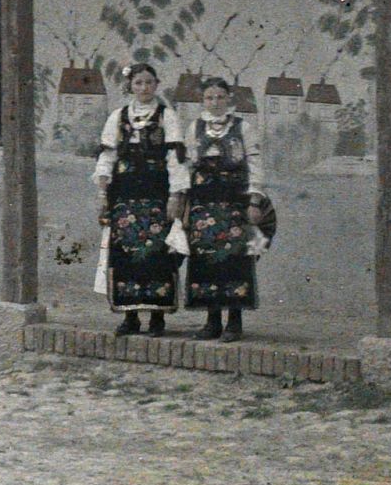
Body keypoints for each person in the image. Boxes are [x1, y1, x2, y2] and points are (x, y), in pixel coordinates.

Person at [93, 61, 189, 336]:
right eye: (138, 83)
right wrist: (102, 192)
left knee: (158, 255)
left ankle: (158, 317)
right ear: (130, 86)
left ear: (156, 85)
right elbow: (107, 156)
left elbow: (176, 159)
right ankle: (130, 316)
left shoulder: (167, 116)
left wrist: (176, 195)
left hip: (157, 196)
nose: (144, 87)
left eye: (148, 82)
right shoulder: (118, 117)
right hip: (124, 197)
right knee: (125, 255)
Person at [182, 75, 265, 340]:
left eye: (220, 97)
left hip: (234, 203)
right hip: (203, 204)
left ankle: (234, 322)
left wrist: (254, 200)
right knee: (206, 260)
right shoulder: (195, 127)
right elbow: (187, 167)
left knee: (234, 260)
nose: (215, 102)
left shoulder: (243, 127)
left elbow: (255, 165)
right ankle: (212, 321)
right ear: (202, 100)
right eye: (209, 97)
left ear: (229, 98)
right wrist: (184, 203)